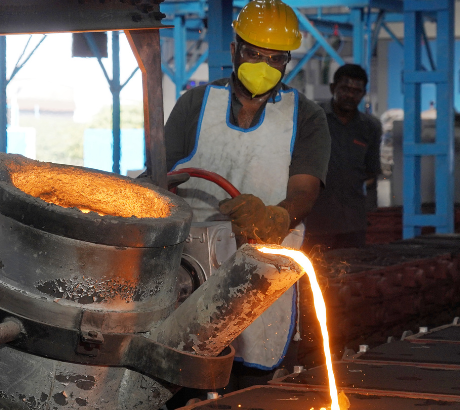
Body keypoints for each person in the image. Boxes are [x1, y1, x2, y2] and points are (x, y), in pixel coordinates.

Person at [159, 0, 331, 393]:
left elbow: (304, 191)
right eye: (254, 53)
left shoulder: (305, 117)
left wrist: (275, 219)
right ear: (235, 49)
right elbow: (160, 177)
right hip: (190, 271)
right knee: (183, 372)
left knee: (249, 386)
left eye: (275, 58)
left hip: (260, 274)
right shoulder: (195, 105)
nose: (263, 65)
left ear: (287, 62)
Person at [298, 64, 382, 368]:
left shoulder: (370, 128)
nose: (350, 94)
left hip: (352, 223)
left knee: (350, 286)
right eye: (345, 88)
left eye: (357, 90)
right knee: (314, 287)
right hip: (315, 222)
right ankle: (311, 348)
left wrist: (369, 212)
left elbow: (372, 172)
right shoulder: (313, 118)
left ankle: (346, 344)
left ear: (363, 93)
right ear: (333, 87)